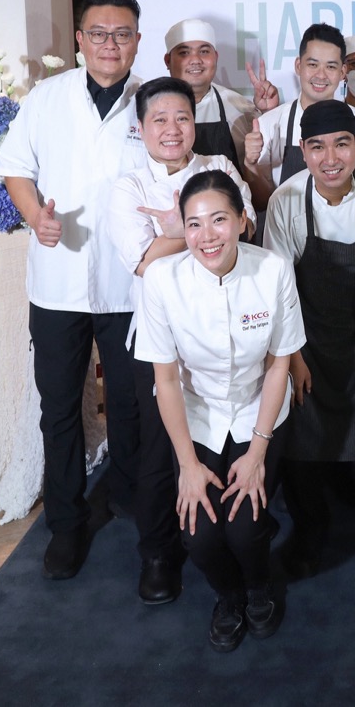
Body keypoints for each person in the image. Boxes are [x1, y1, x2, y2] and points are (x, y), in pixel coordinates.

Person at [0, 0, 146, 581]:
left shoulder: (152, 101)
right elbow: (15, 169)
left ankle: (132, 498)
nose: (111, 44)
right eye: (99, 33)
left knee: (131, 402)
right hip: (57, 284)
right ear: (80, 40)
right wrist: (37, 217)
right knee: (58, 407)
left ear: (137, 41)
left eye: (123, 34)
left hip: (130, 282)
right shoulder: (47, 98)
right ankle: (66, 523)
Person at [136, 170, 305, 652]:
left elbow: (279, 366)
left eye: (218, 220)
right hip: (198, 415)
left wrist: (257, 453)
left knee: (246, 528)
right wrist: (188, 466)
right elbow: (166, 380)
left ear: (242, 220)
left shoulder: (273, 270)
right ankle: (228, 595)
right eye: (193, 224)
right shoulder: (162, 279)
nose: (206, 236)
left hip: (258, 409)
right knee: (199, 533)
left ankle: (258, 586)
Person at [104, 76, 255, 603]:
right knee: (158, 448)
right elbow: (144, 264)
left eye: (182, 118)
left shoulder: (220, 167)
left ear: (196, 121)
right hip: (162, 335)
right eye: (160, 120)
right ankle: (158, 553)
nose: (172, 129)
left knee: (219, 436)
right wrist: (189, 230)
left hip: (229, 325)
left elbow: (245, 229)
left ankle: (226, 536)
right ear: (141, 127)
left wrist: (174, 231)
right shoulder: (128, 187)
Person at [263, 100, 355, 577]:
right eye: (317, 147)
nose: (331, 159)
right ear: (303, 150)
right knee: (302, 431)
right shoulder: (285, 200)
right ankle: (311, 528)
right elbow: (279, 290)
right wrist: (294, 358)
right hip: (306, 337)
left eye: (342, 144)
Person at [162, 17, 280, 208]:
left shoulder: (241, 110)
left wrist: (269, 115)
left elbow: (261, 199)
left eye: (204, 51)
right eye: (184, 52)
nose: (195, 60)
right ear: (168, 60)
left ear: (215, 57)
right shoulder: (150, 109)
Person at [245, 23, 355, 191]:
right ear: (298, 66)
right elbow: (263, 200)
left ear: (342, 72)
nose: (321, 75)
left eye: (330, 67)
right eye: (313, 65)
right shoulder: (269, 124)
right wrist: (250, 164)